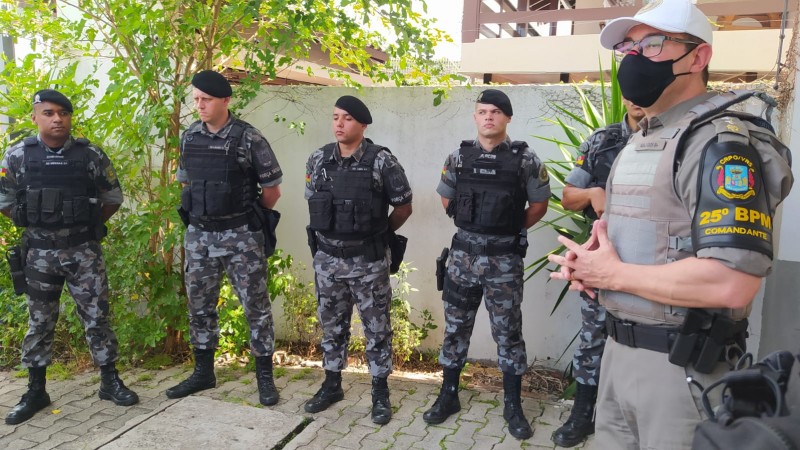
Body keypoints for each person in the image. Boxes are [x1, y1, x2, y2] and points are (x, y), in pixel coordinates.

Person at [548, 0, 794, 448]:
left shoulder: (720, 144)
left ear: (698, 57)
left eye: (653, 45)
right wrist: (594, 270)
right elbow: (648, 245)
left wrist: (614, 274)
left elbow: (732, 282)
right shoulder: (641, 141)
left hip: (680, 370)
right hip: (617, 356)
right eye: (629, 48)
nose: (635, 59)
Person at [0, 89, 139, 425]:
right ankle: (36, 389)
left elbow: (112, 197)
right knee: (40, 321)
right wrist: (38, 225)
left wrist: (83, 226)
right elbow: (4, 201)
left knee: (97, 317)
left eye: (63, 112)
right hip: (39, 255)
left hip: (83, 252)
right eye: (48, 113)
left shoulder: (89, 154)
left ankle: (109, 381)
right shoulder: (17, 156)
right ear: (35, 117)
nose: (57, 119)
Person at [423, 89, 550, 440]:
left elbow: (539, 205)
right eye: (482, 112)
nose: (488, 117)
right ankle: (448, 395)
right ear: (475, 117)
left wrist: (508, 227)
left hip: (504, 262)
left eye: (496, 112)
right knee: (455, 327)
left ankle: (513, 403)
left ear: (507, 118)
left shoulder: (526, 160)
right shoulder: (459, 157)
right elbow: (445, 195)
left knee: (508, 332)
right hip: (462, 258)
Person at [167, 70, 283, 406]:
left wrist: (246, 220)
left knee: (256, 308)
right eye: (196, 99)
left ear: (225, 101)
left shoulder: (250, 138)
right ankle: (203, 372)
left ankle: (264, 377)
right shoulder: (189, 137)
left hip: (240, 237)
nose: (199, 105)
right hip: (200, 235)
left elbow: (272, 191)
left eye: (206, 99)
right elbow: (186, 184)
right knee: (200, 307)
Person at [303, 95, 412, 425]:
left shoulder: (382, 162)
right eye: (335, 117)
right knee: (332, 327)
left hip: (367, 261)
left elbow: (404, 207)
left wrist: (378, 236)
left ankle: (380, 393)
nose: (339, 124)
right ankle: (332, 385)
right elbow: (314, 205)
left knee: (377, 329)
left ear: (362, 125)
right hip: (328, 261)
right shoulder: (318, 160)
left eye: (347, 118)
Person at [552, 99, 644, 448]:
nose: (636, 98)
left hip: (655, 262)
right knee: (593, 339)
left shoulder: (676, 137)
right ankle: (582, 415)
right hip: (602, 259)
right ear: (624, 97)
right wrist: (593, 192)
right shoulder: (602, 140)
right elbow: (568, 197)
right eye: (630, 91)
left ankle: (639, 419)